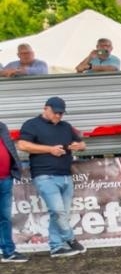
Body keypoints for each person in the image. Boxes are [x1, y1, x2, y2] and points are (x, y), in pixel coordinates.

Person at [16, 96, 87, 257]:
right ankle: (70, 239)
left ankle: (56, 247)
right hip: (44, 174)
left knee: (60, 213)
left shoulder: (66, 127)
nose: (58, 116)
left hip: (65, 175)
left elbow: (83, 144)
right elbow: (22, 145)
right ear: (46, 109)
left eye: (61, 114)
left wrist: (79, 146)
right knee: (58, 211)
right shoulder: (31, 124)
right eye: (56, 113)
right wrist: (50, 150)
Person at [0, 118, 24, 263]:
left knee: (5, 217)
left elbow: (11, 149)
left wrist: (16, 169)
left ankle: (8, 252)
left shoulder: (1, 127)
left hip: (6, 179)